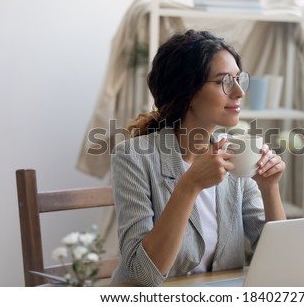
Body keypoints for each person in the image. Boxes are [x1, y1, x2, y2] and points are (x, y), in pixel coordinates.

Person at [110, 30, 286, 286]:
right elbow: (144, 275)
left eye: (239, 79)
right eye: (224, 81)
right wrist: (189, 185)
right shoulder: (133, 157)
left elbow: (279, 262)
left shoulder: (236, 153)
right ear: (188, 91)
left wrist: (270, 188)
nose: (239, 92)